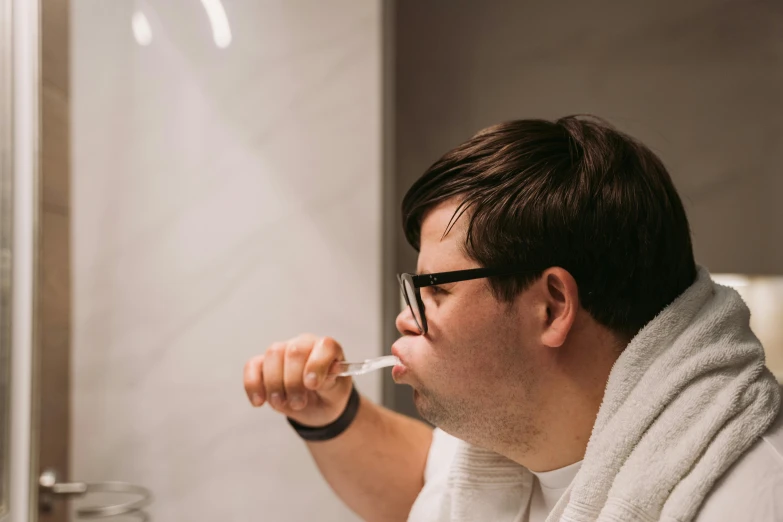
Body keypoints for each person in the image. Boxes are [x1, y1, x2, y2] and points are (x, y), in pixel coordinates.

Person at [243, 116, 783, 522]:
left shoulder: (751, 497)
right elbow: (428, 480)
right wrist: (329, 415)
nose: (404, 319)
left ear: (550, 307)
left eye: (437, 290)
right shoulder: (506, 446)